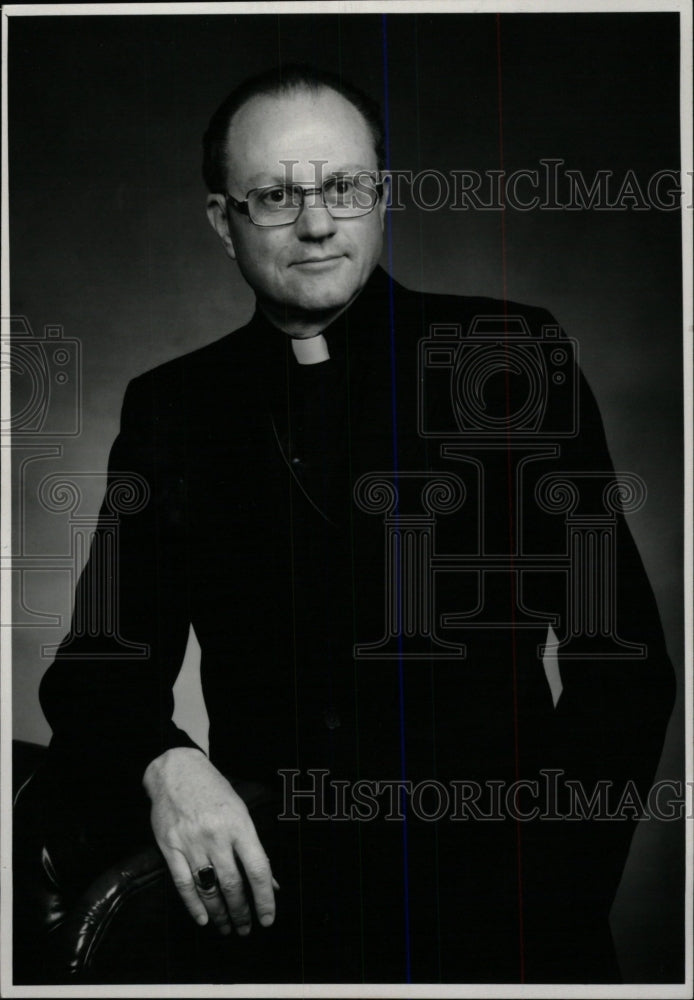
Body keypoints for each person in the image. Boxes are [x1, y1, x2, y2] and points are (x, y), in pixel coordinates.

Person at [36, 65, 675, 984]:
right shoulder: (174, 409)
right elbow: (96, 675)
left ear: (382, 196)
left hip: (506, 922)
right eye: (274, 197)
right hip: (276, 925)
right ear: (223, 220)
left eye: (344, 188)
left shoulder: (510, 359)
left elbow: (624, 669)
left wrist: (547, 897)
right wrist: (165, 763)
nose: (318, 223)